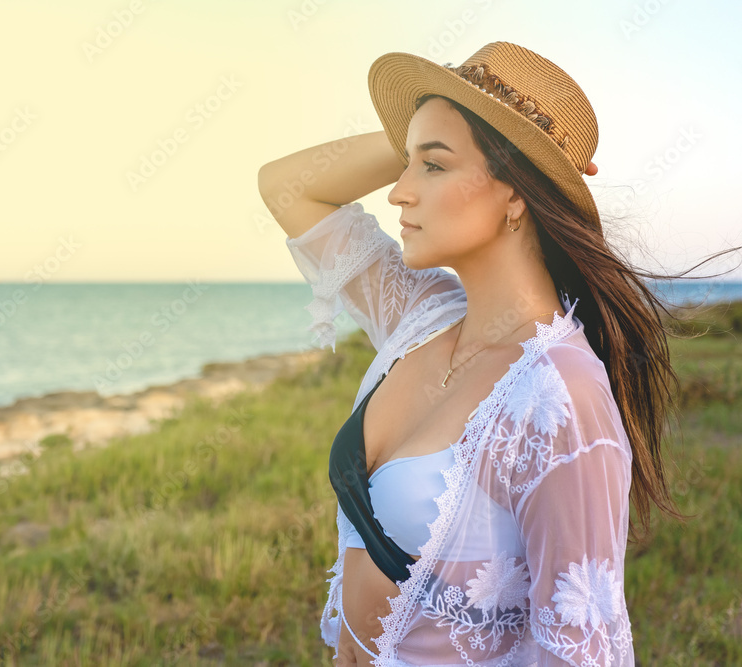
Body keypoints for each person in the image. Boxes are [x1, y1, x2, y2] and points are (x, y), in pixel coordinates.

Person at [257, 42, 735, 666]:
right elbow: (288, 188)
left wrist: (490, 128)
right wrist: (437, 119)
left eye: (432, 167)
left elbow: (579, 652)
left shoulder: (560, 396)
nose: (398, 192)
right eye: (406, 163)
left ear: (516, 194)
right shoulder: (421, 317)